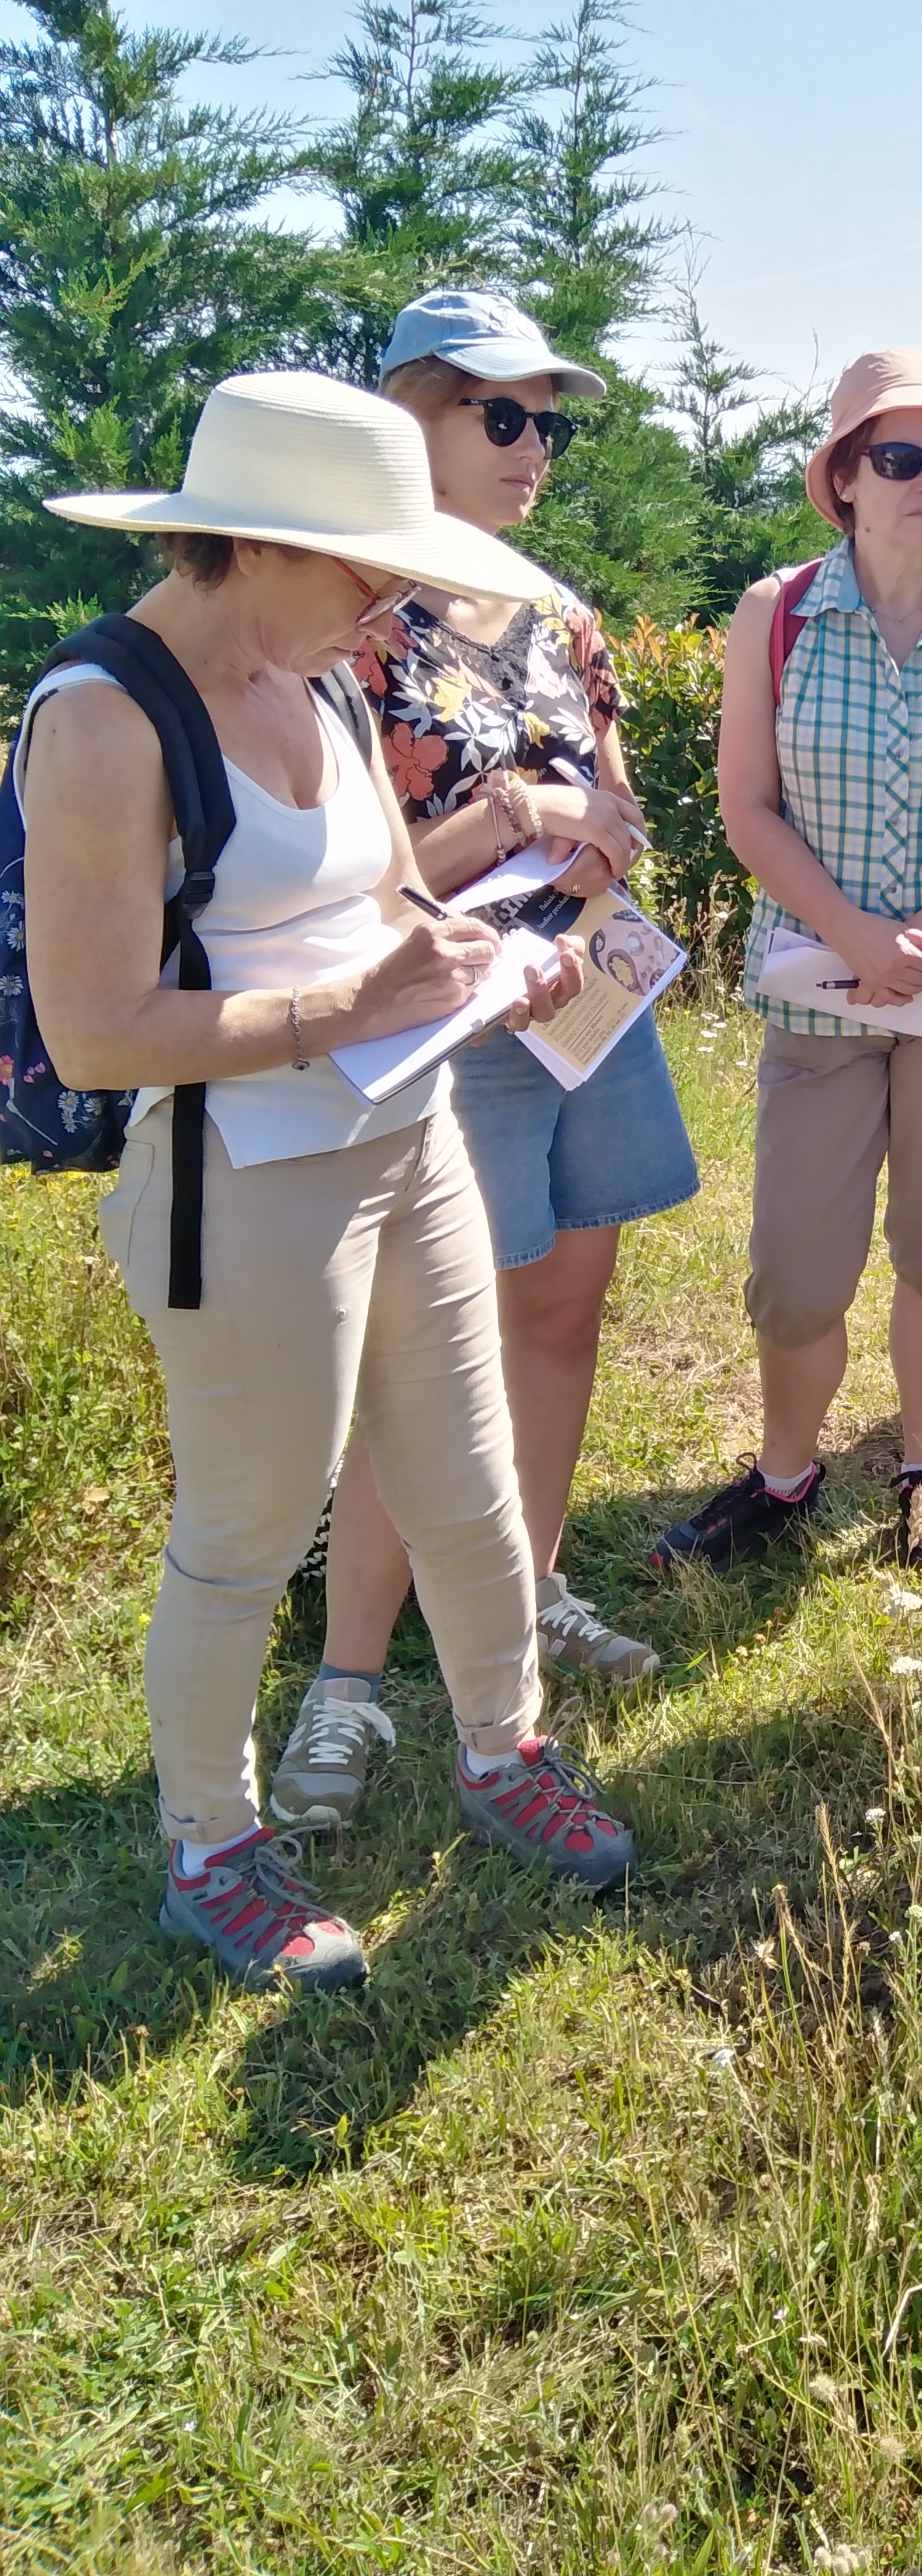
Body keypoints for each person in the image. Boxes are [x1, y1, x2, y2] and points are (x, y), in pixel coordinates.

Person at [16, 372, 637, 1990]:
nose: (395, 606)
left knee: (469, 1475)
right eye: (371, 570)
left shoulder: (330, 683)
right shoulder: (103, 713)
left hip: (403, 1132)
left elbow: (365, 911)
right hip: (244, 1183)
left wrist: (482, 961)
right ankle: (211, 1845)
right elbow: (94, 1033)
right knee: (249, 1526)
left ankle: (506, 1749)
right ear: (258, 544)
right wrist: (350, 1010)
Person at [263, 291, 699, 1838]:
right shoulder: (351, 618)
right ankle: (353, 1678)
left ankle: (524, 1592)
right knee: (419, 1360)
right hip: (443, 1020)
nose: (532, 447)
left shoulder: (563, 615)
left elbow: (619, 809)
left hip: (578, 998)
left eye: (546, 421)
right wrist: (520, 822)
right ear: (414, 414)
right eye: (498, 415)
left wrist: (590, 873)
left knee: (566, 1308)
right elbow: (347, 879)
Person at [651, 349, 922, 1581]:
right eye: (900, 458)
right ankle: (785, 1474)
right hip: (821, 997)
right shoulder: (775, 617)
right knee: (795, 1268)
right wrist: (855, 937)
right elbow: (747, 807)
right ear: (845, 478)